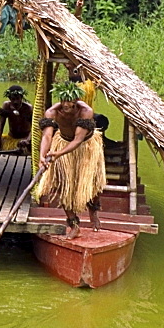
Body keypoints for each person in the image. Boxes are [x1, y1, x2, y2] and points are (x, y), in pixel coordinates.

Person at [37, 79, 106, 239]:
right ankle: (74, 225)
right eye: (64, 104)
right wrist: (42, 155)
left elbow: (77, 140)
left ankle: (93, 210)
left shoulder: (85, 111)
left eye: (71, 105)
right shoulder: (52, 112)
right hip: (62, 142)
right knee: (63, 185)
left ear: (76, 101)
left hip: (86, 147)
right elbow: (47, 136)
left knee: (93, 184)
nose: (67, 108)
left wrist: (58, 154)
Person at [0, 85, 33, 153]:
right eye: (13, 99)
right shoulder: (6, 106)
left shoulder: (28, 108)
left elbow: (34, 128)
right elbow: (0, 125)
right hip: (10, 137)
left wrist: (27, 140)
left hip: (24, 138)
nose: (15, 102)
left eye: (17, 98)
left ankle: (20, 148)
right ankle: (10, 148)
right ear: (9, 98)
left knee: (32, 144)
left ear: (21, 97)